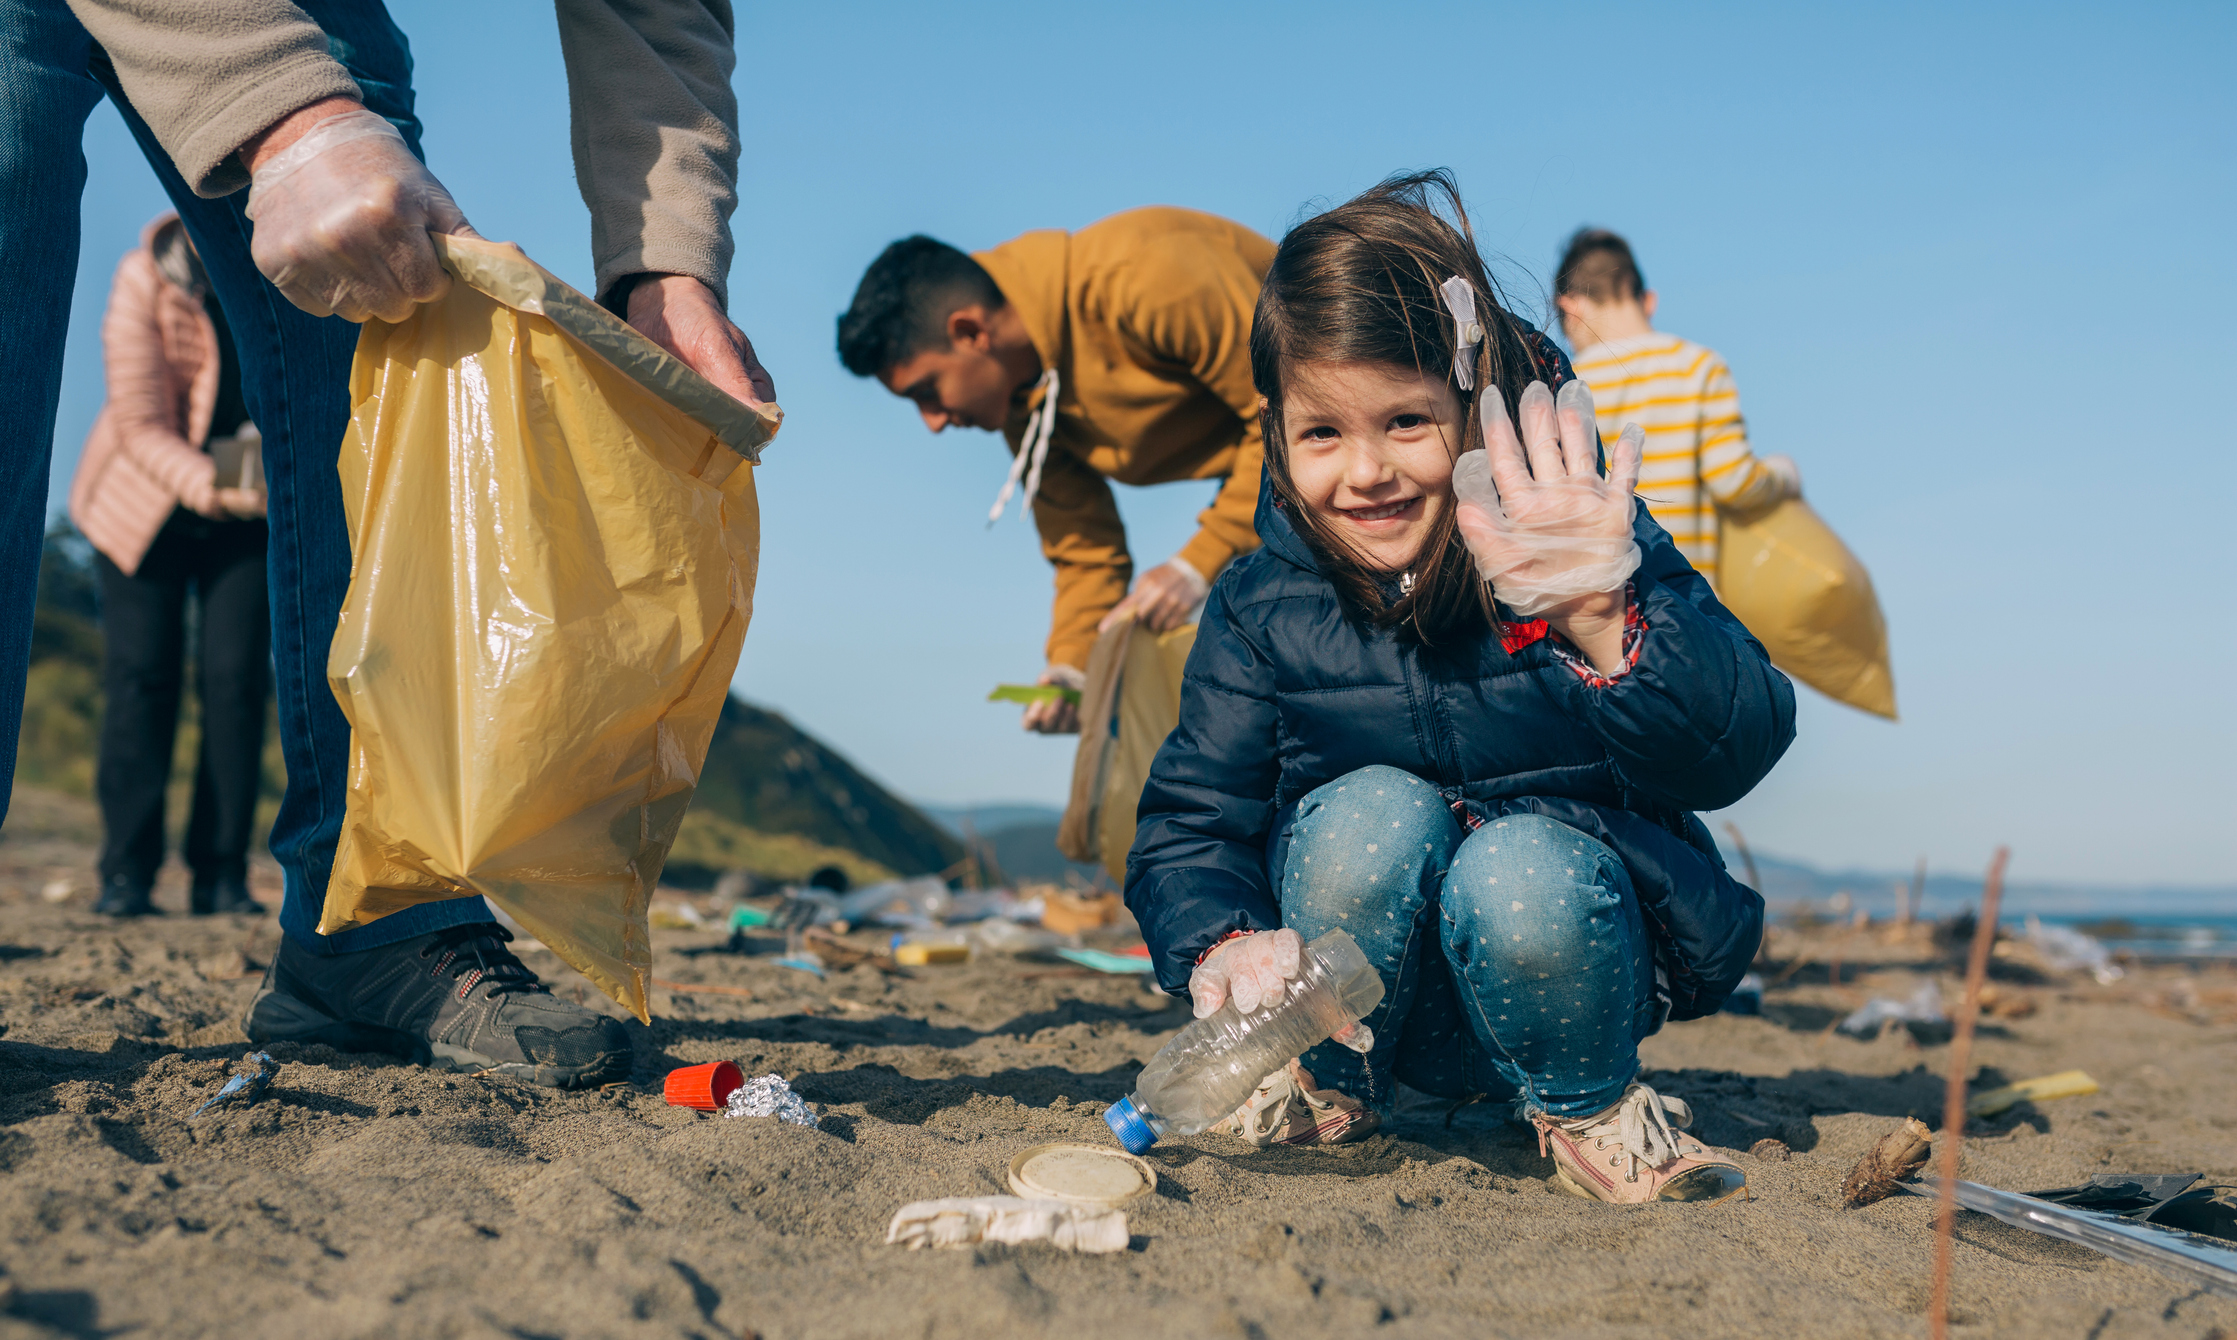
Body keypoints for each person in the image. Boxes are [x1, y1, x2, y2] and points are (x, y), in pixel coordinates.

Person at [0, 0, 770, 1089]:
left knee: (381, 302)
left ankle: (374, 924)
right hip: (153, 516)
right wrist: (286, 114)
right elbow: (138, 420)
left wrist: (662, 265)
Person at [1126, 173, 1794, 1204]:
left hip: (1564, 973)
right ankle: (1324, 1091)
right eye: (1321, 433)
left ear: (1473, 406)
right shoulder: (1261, 604)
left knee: (1516, 857)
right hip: (1357, 1011)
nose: (1364, 473)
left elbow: (1736, 742)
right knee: (1367, 813)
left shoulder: (1579, 550)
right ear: (1274, 431)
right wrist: (1222, 934)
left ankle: (1590, 1115)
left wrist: (1603, 620)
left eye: (1404, 421)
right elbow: (1189, 819)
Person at [836, 210, 1273, 732]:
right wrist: (1070, 666)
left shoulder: (1147, 274)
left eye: (927, 391)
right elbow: (1085, 550)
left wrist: (1198, 563)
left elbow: (1293, 415)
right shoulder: (1024, 400)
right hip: (1293, 491)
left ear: (970, 332)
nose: (931, 423)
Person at [70, 215, 271, 919]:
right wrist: (216, 488)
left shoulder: (290, 272)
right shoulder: (144, 277)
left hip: (248, 501)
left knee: (237, 682)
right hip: (143, 499)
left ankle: (221, 876)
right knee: (142, 677)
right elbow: (139, 423)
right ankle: (126, 873)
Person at [1553, 228, 1797, 587]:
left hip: (1599, 605)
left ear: (1569, 308)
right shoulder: (1698, 365)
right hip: (1690, 609)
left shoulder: (1566, 386)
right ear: (1648, 301)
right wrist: (1783, 474)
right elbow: (1734, 481)